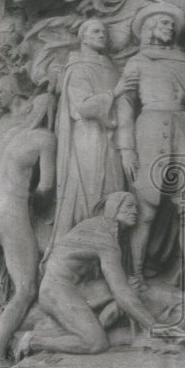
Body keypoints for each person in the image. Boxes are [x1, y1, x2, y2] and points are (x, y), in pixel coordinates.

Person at [115, 0, 185, 286]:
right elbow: (125, 104)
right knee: (145, 208)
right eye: (163, 23)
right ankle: (136, 274)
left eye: (171, 23)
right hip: (149, 129)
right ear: (149, 28)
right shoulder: (137, 62)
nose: (168, 27)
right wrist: (127, 148)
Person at [0, 74, 56, 368]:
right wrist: (37, 203)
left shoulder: (2, 141)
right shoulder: (45, 139)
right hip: (17, 214)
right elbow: (45, 187)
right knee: (26, 289)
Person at [16, 192, 158, 357]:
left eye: (136, 207)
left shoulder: (99, 226)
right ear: (114, 208)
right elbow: (120, 292)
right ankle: (34, 341)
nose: (135, 211)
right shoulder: (104, 239)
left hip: (76, 288)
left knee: (130, 285)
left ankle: (96, 325)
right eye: (129, 206)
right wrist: (156, 327)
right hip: (56, 290)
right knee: (96, 343)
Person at [48, 19, 128, 247]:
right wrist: (115, 93)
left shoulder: (109, 67)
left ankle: (108, 253)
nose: (102, 34)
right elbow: (84, 106)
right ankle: (86, 251)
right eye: (95, 31)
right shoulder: (78, 67)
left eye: (104, 31)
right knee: (91, 191)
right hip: (88, 137)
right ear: (83, 37)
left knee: (112, 189)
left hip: (109, 138)